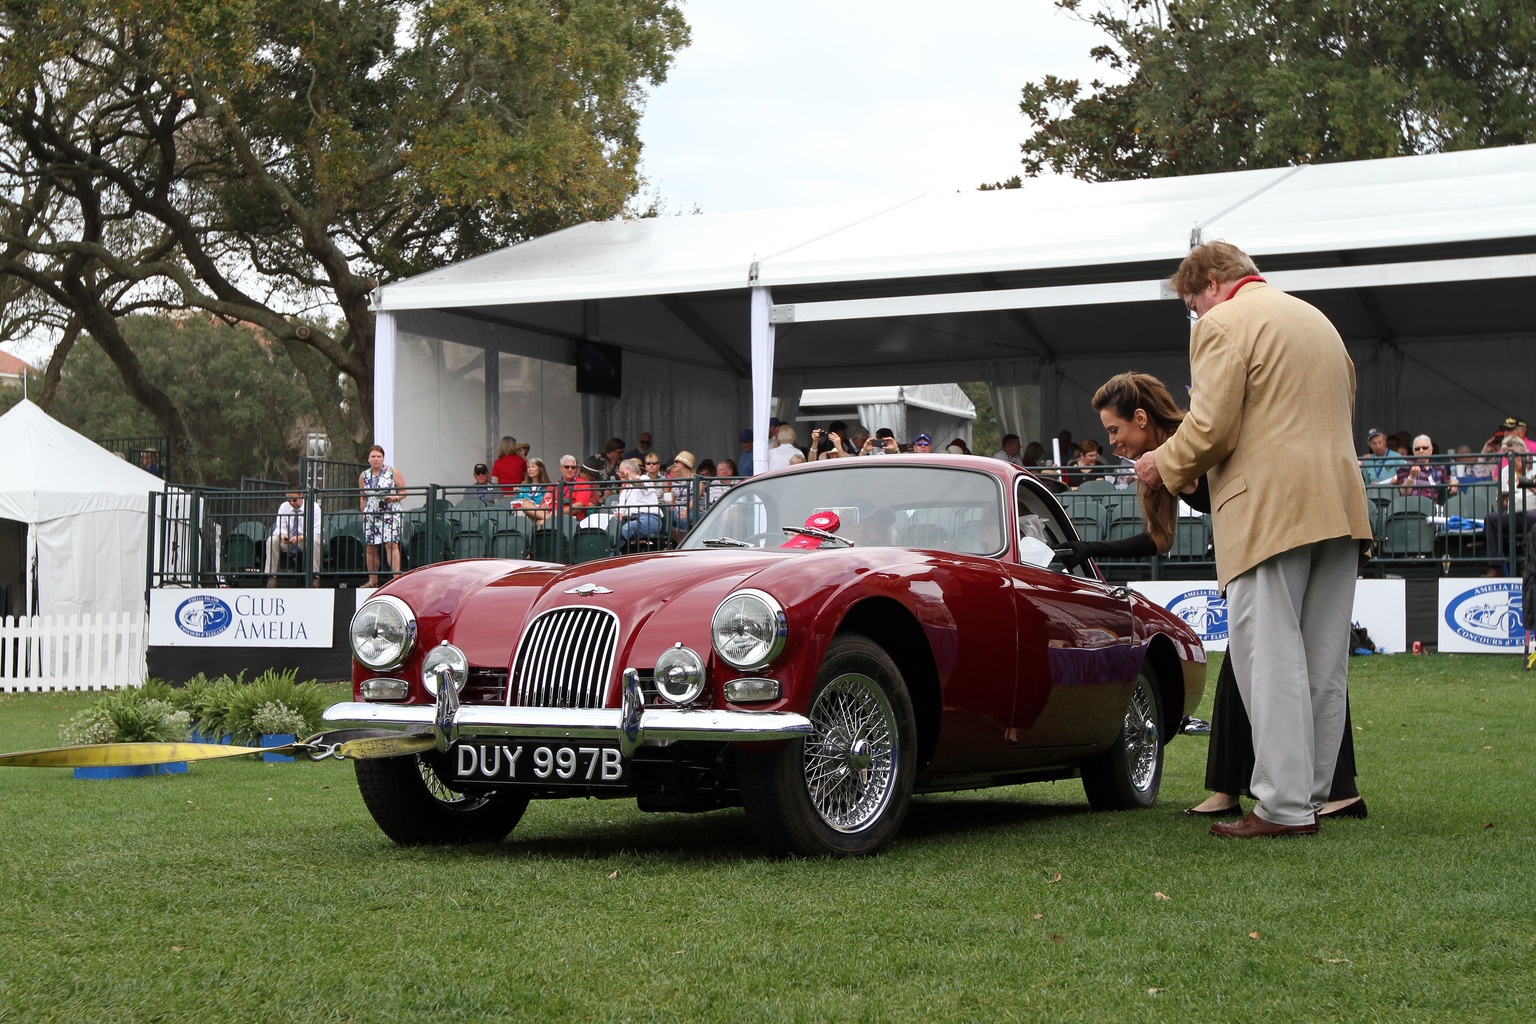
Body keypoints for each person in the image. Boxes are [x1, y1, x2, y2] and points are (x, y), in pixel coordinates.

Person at [1140, 241, 1372, 838]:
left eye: (1192, 303)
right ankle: (1313, 797)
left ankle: (1282, 807)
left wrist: (1161, 464)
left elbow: (1213, 427)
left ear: (1212, 284)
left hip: (1269, 511)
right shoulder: (1318, 321)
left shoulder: (1222, 324)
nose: (1195, 315)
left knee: (1268, 660)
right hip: (1340, 506)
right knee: (1323, 662)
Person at [1068, 371, 1367, 821]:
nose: (1112, 443)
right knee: (1284, 664)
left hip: (1279, 540)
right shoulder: (1164, 465)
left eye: (1115, 430)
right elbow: (1159, 539)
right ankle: (1325, 791)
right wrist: (1093, 548)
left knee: (1291, 665)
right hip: (1256, 553)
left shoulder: (1200, 437)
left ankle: (1253, 791)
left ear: (1143, 418)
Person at [1485, 434, 1535, 576]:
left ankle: (1528, 565)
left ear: (1524, 452)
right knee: (1492, 519)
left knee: (1533, 517)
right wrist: (1502, 501)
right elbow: (1503, 505)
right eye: (1507, 456)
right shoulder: (1505, 472)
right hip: (1513, 513)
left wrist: (1528, 484)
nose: (1511, 459)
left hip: (1532, 511)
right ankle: (1497, 567)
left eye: (1514, 455)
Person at [359, 445, 406, 588]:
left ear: (383, 458)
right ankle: (373, 580)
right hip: (371, 514)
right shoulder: (364, 475)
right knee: (370, 547)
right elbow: (363, 496)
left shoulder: (392, 472)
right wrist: (363, 513)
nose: (376, 459)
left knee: (391, 544)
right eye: (373, 456)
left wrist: (394, 497)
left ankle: (396, 579)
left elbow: (403, 491)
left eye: (379, 456)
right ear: (369, 459)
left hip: (390, 513)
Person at [266, 489, 320, 587]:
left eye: (294, 500)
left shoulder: (314, 507)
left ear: (302, 495)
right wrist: (283, 535)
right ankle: (271, 578)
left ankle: (314, 578)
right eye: (289, 500)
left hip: (306, 540)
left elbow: (317, 531)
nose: (291, 503)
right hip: (289, 541)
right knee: (272, 540)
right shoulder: (283, 507)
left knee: (315, 540)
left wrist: (301, 537)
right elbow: (279, 528)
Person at [614, 459, 662, 546]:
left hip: (649, 518)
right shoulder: (624, 491)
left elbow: (640, 484)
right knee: (613, 530)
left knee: (627, 528)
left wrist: (628, 478)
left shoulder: (644, 478)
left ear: (629, 470)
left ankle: (613, 553)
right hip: (630, 520)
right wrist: (618, 515)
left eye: (620, 470)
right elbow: (620, 512)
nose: (618, 473)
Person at [1394, 434, 1455, 503]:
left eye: (1424, 448)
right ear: (1414, 452)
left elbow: (1446, 482)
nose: (1421, 450)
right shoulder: (1406, 466)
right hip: (1413, 506)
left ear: (1431, 450)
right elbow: (1404, 492)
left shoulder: (1439, 467)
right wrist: (1412, 476)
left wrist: (1454, 481)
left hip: (1433, 507)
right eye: (1417, 449)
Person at [513, 458, 554, 524]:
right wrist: (517, 493)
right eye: (528, 467)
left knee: (542, 519)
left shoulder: (547, 486)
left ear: (540, 469)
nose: (530, 469)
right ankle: (549, 518)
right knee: (523, 508)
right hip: (526, 509)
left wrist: (542, 505)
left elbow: (549, 501)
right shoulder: (524, 485)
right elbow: (519, 502)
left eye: (533, 467)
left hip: (540, 510)